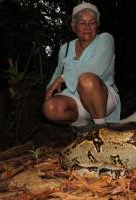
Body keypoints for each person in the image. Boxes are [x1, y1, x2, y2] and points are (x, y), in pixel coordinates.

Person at [42, 2, 121, 131]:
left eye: (92, 23)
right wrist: (50, 88)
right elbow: (58, 72)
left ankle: (100, 129)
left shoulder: (105, 39)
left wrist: (63, 78)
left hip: (103, 97)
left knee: (87, 80)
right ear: (74, 27)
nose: (87, 27)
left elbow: (95, 67)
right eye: (82, 23)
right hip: (75, 97)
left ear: (97, 25)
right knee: (50, 108)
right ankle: (82, 126)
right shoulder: (65, 48)